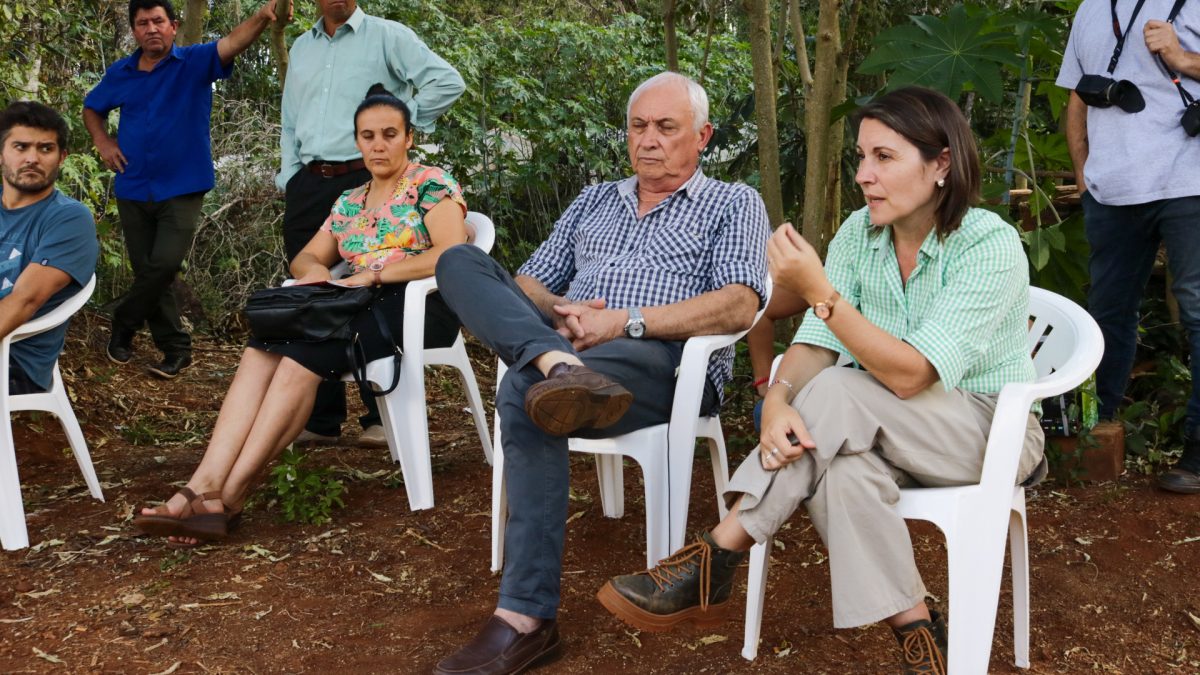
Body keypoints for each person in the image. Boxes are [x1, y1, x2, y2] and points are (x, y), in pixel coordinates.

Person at [597, 87, 1046, 674]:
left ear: (941, 164)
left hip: (990, 432)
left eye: (884, 158)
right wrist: (779, 399)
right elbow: (815, 345)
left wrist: (820, 292)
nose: (865, 175)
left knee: (833, 393)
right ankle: (924, 643)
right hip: (885, 422)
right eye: (861, 158)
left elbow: (911, 375)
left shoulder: (988, 242)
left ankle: (718, 552)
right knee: (842, 471)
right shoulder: (862, 234)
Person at [430, 72, 769, 675]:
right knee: (460, 260)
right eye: (639, 127)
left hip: (660, 362)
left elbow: (740, 302)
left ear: (702, 136)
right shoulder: (593, 200)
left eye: (667, 128)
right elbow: (534, 281)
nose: (649, 141)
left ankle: (524, 618)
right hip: (573, 349)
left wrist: (624, 322)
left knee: (522, 388)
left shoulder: (732, 202)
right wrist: (561, 314)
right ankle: (555, 364)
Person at [132, 86, 467, 546]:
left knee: (299, 359)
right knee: (261, 349)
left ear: (409, 138)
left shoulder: (430, 183)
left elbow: (452, 253)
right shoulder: (350, 200)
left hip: (417, 304)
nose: (378, 144)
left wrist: (373, 274)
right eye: (368, 136)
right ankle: (201, 485)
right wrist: (316, 277)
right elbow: (306, 258)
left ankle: (228, 498)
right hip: (351, 303)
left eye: (390, 134)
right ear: (357, 142)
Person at [279, 0, 465, 448]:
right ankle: (321, 419)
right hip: (312, 184)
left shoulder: (387, 35)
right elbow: (289, 118)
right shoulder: (302, 47)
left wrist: (395, 126)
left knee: (375, 289)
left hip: (371, 174)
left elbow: (448, 81)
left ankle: (377, 415)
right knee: (314, 287)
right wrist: (290, 176)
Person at [83, 0, 281, 380]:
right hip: (134, 185)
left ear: (173, 26)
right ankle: (175, 349)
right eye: (142, 23)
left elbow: (231, 43)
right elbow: (92, 108)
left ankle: (123, 323)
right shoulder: (121, 72)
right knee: (147, 269)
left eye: (158, 21)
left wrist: (260, 16)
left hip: (183, 185)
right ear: (135, 31)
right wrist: (104, 143)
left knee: (164, 264)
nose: (151, 28)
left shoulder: (193, 62)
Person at [1058, 0, 1200, 494]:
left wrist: (1184, 59)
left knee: (1198, 309)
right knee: (1107, 310)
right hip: (1112, 189)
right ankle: (1100, 431)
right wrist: (1083, 175)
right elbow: (1079, 96)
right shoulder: (1091, 10)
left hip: (1190, 182)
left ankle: (1197, 452)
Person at [0, 102, 98, 396]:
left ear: (61, 157)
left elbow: (23, 303)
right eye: (20, 147)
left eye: (45, 148)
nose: (32, 158)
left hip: (13, 363)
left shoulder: (68, 218)